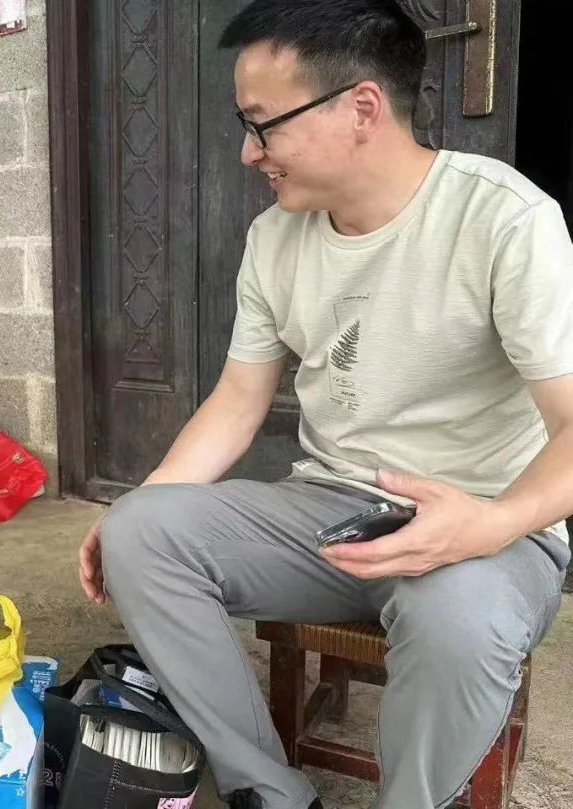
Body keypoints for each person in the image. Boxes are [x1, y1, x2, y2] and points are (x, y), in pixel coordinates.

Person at [78, 2, 573, 808]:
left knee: (458, 620)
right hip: (331, 514)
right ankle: (270, 791)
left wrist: (490, 524)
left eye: (262, 124)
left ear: (362, 108)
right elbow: (238, 400)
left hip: (488, 523)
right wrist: (147, 499)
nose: (248, 152)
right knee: (138, 532)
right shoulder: (276, 239)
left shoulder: (505, 221)